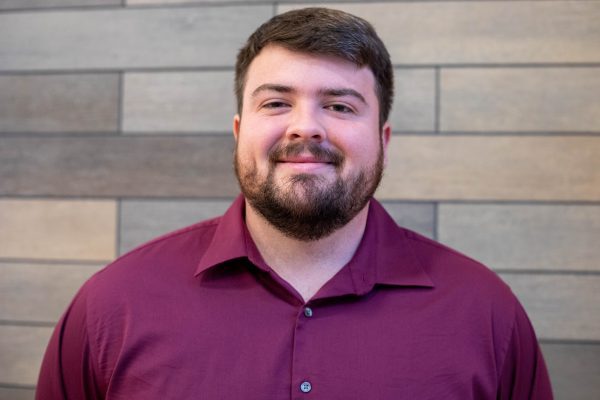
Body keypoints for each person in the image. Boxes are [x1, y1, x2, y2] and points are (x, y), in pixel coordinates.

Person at [36, 7, 552, 399]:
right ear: (239, 133)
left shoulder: (486, 315)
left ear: (384, 139)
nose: (305, 126)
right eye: (276, 103)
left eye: (339, 105)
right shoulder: (112, 306)